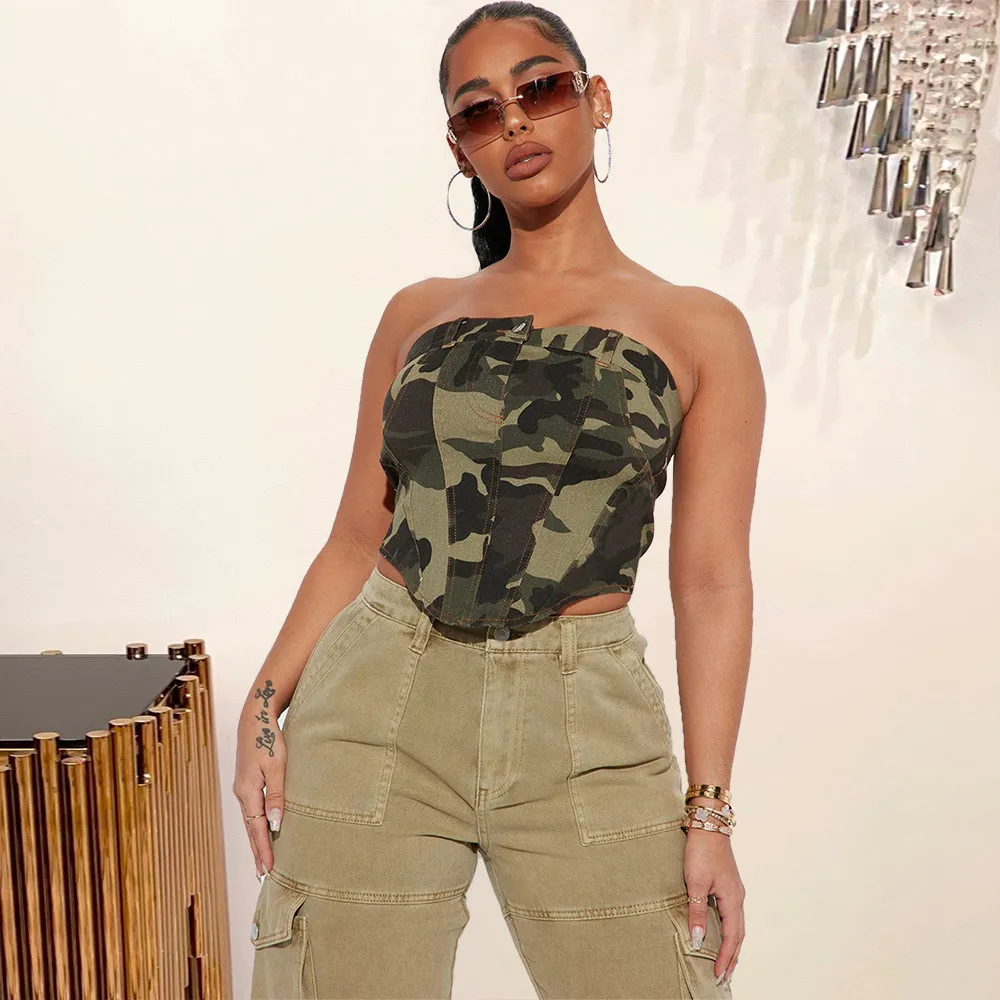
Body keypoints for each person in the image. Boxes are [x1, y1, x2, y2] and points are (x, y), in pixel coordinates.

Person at [234, 3, 764, 997]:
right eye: (480, 110)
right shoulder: (418, 313)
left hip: (582, 718)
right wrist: (262, 709)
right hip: (378, 701)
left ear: (596, 100)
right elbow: (355, 535)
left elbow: (709, 583)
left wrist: (709, 810)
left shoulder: (698, 327)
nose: (515, 119)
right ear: (459, 148)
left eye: (542, 88)